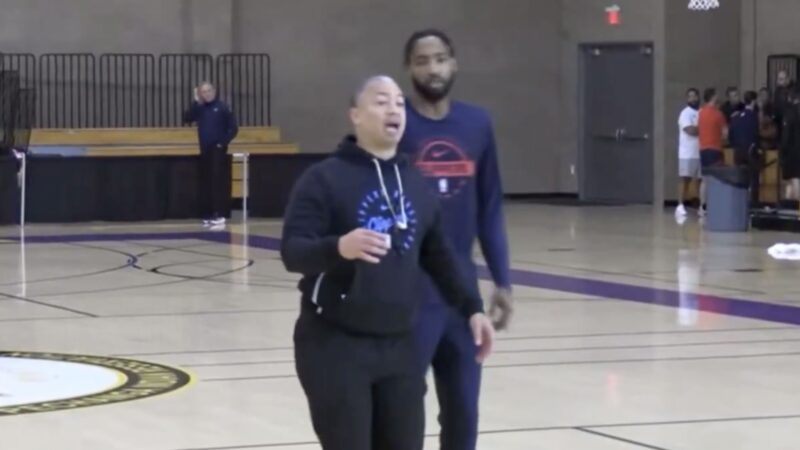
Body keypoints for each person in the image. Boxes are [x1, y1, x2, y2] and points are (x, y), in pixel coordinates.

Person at [280, 75, 495, 450]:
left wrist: (472, 308)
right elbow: (293, 251)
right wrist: (339, 247)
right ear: (356, 115)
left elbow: (439, 256)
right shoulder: (323, 179)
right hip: (335, 344)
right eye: (381, 101)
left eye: (399, 102)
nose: (394, 108)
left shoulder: (414, 182)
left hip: (400, 345)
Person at [398, 29, 512, 450]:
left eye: (440, 58)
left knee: (464, 414)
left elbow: (491, 206)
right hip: (408, 298)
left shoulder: (477, 123)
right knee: (403, 417)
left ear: (454, 63)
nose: (433, 68)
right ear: (409, 68)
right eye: (423, 60)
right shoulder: (397, 125)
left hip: (462, 298)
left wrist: (502, 280)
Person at [183, 81, 238, 227]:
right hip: (205, 149)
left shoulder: (222, 107)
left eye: (208, 91)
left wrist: (222, 143)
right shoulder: (200, 108)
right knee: (206, 181)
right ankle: (208, 213)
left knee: (217, 181)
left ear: (213, 91)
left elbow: (233, 128)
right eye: (203, 92)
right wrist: (195, 101)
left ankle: (219, 214)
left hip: (218, 150)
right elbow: (187, 117)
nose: (206, 94)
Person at [698, 87, 727, 215]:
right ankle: (715, 205)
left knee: (704, 179)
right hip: (715, 149)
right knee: (716, 179)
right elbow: (725, 133)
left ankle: (702, 207)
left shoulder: (701, 112)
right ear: (713, 97)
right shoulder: (718, 114)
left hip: (703, 149)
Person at [676, 88, 701, 217]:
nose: (693, 99)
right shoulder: (685, 113)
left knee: (700, 180)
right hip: (687, 153)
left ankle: (700, 206)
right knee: (685, 179)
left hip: (699, 151)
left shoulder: (701, 112)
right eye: (690, 96)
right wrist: (703, 129)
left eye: (694, 96)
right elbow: (690, 130)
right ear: (687, 99)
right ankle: (680, 205)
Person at [780, 88, 800, 201]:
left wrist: (782, 152)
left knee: (793, 182)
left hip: (793, 154)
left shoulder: (790, 112)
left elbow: (786, 137)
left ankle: (792, 213)